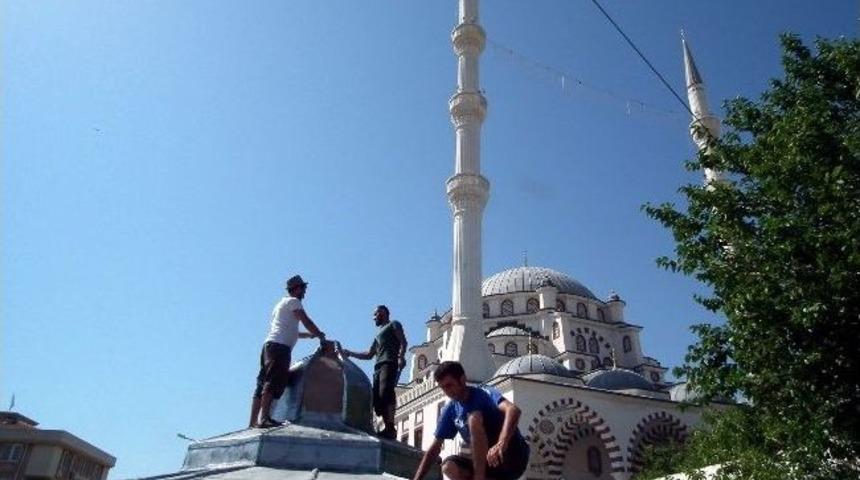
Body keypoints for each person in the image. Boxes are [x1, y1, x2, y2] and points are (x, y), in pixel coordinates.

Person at [412, 361, 530, 480]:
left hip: (512, 458)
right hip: (488, 465)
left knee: (473, 418)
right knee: (449, 467)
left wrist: (501, 443)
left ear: (462, 379)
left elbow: (513, 410)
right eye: (443, 388)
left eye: (449, 385)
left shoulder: (483, 393)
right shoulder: (451, 409)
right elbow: (434, 449)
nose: (447, 392)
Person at [249, 274, 326, 428]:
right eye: (303, 288)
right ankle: (264, 418)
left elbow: (290, 330)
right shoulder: (294, 301)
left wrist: (309, 335)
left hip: (269, 346)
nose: (304, 292)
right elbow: (305, 320)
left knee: (262, 382)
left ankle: (252, 422)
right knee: (272, 381)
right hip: (280, 348)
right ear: (296, 289)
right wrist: (320, 335)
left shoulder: (281, 304)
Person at [342, 305, 407, 439]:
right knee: (376, 400)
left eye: (375, 314)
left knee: (386, 392)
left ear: (383, 313)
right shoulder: (378, 334)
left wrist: (401, 356)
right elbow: (369, 354)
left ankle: (390, 428)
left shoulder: (393, 325)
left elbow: (403, 341)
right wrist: (350, 353)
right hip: (377, 367)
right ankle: (384, 426)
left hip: (389, 363)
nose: (373, 318)